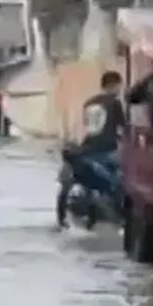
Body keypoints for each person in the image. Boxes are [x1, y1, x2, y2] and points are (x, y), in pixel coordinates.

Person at [57, 71, 125, 228]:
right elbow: (122, 127)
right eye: (119, 86)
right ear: (114, 85)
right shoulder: (114, 103)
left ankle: (69, 217)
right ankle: (121, 218)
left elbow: (89, 126)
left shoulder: (89, 103)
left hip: (88, 146)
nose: (119, 90)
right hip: (106, 147)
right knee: (120, 180)